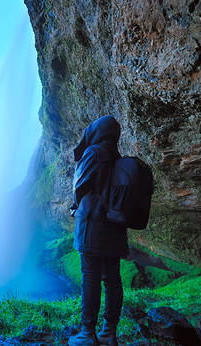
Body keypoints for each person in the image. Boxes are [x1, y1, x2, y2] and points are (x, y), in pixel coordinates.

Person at [68, 115, 128, 346]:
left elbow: (79, 185)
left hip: (92, 223)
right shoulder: (117, 157)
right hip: (115, 225)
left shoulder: (93, 152)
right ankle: (109, 332)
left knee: (90, 275)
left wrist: (76, 207)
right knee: (112, 277)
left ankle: (87, 333)